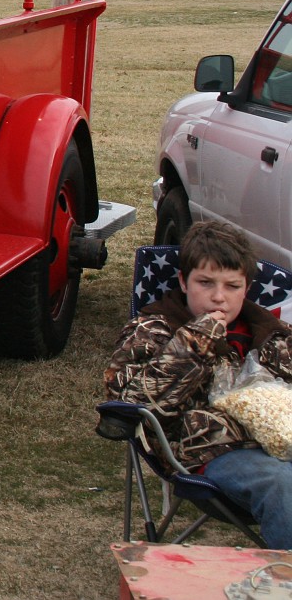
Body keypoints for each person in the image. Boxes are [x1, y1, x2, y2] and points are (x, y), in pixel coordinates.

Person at [105, 220, 292, 548]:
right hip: (210, 453)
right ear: (183, 281)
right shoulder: (154, 329)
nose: (219, 297)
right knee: (281, 484)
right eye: (205, 283)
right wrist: (195, 342)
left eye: (232, 286)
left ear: (246, 287)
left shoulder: (272, 333)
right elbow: (131, 402)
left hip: (280, 445)